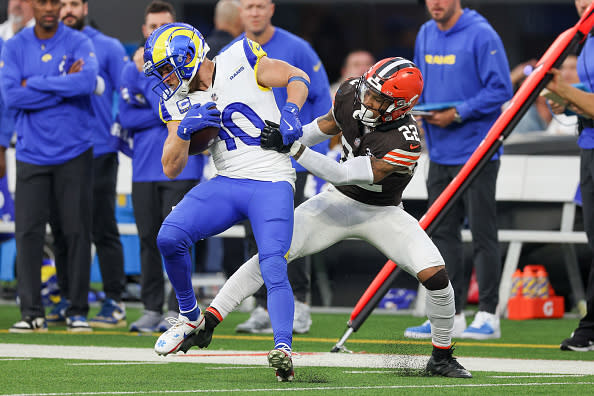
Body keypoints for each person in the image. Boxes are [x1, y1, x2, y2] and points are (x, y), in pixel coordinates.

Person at [181, 57, 473, 379]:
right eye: (369, 91)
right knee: (272, 253)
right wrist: (293, 136)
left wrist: (293, 149)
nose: (368, 101)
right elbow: (326, 126)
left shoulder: (406, 140)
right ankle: (210, 319)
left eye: (379, 99)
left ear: (400, 107)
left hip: (381, 212)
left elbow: (344, 173)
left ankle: (442, 356)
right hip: (336, 203)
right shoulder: (351, 93)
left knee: (436, 278)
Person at [143, 21, 309, 381]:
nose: (166, 80)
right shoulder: (176, 99)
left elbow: (297, 77)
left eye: (167, 70)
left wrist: (292, 111)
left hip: (271, 179)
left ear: (188, 56)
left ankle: (282, 348)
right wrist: (184, 131)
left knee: (272, 262)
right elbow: (171, 167)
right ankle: (190, 316)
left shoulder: (240, 56)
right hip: (228, 180)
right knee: (169, 237)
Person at [405, 0, 512, 339]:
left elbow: (501, 90)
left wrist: (459, 112)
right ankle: (450, 314)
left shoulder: (482, 34)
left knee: (483, 233)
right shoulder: (425, 32)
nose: (435, 3)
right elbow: (418, 83)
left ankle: (489, 316)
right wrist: (418, 111)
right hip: (438, 150)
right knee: (442, 236)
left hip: (477, 151)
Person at [234, 0, 332, 335]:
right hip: (251, 162)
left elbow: (323, 100)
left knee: (293, 233)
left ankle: (301, 305)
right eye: (249, 6)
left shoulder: (297, 48)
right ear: (240, 12)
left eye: (260, 5)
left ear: (271, 8)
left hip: (292, 160)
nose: (255, 12)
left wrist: (304, 143)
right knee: (255, 235)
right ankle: (261, 307)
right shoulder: (235, 52)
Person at [2, 0, 99, 332]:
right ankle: (31, 313)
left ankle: (77, 310)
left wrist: (37, 83)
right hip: (31, 152)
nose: (48, 8)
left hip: (74, 150)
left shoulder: (79, 42)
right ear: (33, 5)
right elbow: (12, 96)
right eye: (41, 2)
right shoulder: (15, 46)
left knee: (74, 232)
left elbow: (87, 83)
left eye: (53, 2)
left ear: (60, 6)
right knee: (27, 233)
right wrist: (61, 87)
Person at [43, 0, 129, 329]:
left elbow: (129, 90)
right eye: (62, 4)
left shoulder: (107, 46)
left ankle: (114, 299)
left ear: (84, 7)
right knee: (62, 229)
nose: (67, 9)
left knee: (102, 227)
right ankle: (67, 296)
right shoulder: (45, 46)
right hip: (58, 152)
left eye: (73, 4)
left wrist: (117, 131)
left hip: (98, 150)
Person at [122, 1, 204, 333]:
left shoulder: (189, 66)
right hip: (143, 168)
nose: (156, 31)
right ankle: (151, 307)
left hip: (183, 166)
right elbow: (124, 117)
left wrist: (160, 112)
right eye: (152, 26)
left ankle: (179, 309)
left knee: (179, 238)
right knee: (147, 239)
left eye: (163, 25)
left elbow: (193, 115)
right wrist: (168, 114)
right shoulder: (132, 68)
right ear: (144, 31)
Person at [545, 0, 594, 352]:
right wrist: (564, 100)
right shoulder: (586, 39)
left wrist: (560, 88)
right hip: (589, 145)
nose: (583, 3)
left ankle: (589, 328)